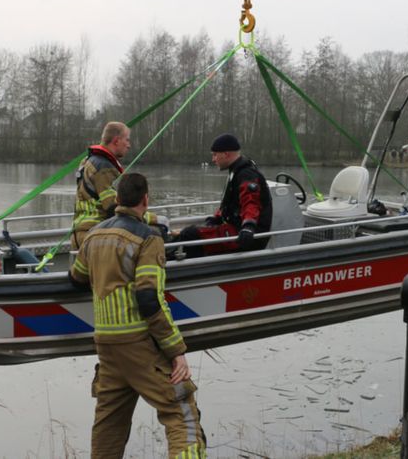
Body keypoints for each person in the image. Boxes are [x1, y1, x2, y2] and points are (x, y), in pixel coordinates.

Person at [69, 172, 206, 459]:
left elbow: (77, 276)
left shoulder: (93, 235)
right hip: (138, 343)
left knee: (109, 424)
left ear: (117, 199)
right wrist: (176, 350)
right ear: (146, 199)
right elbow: (148, 297)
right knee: (181, 412)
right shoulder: (148, 238)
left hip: (106, 346)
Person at [174, 133, 272, 258]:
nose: (213, 159)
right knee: (192, 231)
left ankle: (185, 266)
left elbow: (251, 203)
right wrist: (216, 218)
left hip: (247, 236)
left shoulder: (246, 174)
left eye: (215, 155)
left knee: (190, 234)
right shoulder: (236, 171)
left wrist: (248, 226)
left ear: (226, 154)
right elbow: (230, 204)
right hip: (236, 227)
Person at [71, 122, 131, 250]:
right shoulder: (104, 167)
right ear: (116, 141)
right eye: (127, 140)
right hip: (96, 235)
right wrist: (147, 218)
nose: (129, 145)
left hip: (80, 232)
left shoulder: (88, 160)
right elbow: (113, 208)